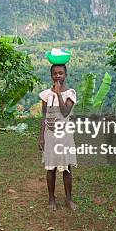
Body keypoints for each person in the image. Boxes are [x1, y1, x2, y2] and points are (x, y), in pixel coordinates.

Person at [38, 64, 78, 211]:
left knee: (66, 168)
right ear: (51, 75)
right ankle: (51, 199)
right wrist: (41, 136)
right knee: (51, 168)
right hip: (50, 135)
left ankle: (68, 199)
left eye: (61, 73)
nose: (58, 76)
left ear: (65, 75)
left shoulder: (70, 93)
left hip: (65, 135)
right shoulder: (45, 95)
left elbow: (65, 112)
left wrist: (58, 93)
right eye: (55, 73)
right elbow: (44, 116)